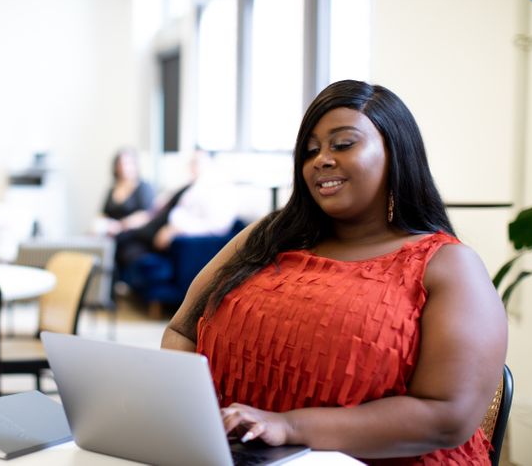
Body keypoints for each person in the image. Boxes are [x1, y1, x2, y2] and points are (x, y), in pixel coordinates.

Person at [161, 80, 507, 464]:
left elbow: (447, 417)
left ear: (397, 152)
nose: (321, 159)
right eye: (310, 150)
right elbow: (181, 330)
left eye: (343, 144)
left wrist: (290, 427)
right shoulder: (266, 238)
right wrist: (193, 417)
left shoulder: (447, 265)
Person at [115, 149, 238, 272]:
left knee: (122, 242)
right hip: (157, 225)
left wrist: (174, 229)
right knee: (121, 243)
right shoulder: (189, 186)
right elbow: (159, 209)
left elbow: (216, 226)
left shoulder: (216, 190)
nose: (193, 166)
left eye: (197, 162)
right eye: (192, 162)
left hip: (168, 234)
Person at [95, 147, 155, 237]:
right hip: (110, 234)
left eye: (127, 163)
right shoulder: (111, 190)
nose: (124, 167)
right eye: (120, 164)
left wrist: (120, 226)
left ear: (135, 165)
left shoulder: (143, 187)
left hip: (133, 234)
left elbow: (146, 215)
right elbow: (103, 214)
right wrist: (99, 226)